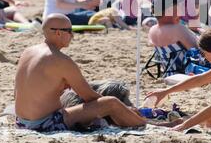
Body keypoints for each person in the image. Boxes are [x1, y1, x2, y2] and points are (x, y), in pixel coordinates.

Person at [14, 13, 146, 132]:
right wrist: (124, 110)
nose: (72, 35)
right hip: (44, 124)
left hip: (20, 122)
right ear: (58, 33)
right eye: (69, 31)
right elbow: (88, 96)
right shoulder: (61, 60)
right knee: (111, 102)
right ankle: (145, 123)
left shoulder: (28, 52)